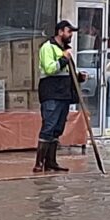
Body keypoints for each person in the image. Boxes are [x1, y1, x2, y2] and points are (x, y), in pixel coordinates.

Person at [34, 20, 86, 173]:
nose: (71, 36)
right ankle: (39, 163)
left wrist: (78, 77)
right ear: (60, 32)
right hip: (51, 93)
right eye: (69, 32)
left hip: (64, 95)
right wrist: (64, 58)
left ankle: (51, 162)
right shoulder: (47, 47)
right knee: (48, 127)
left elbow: (66, 72)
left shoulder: (65, 50)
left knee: (57, 129)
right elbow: (50, 69)